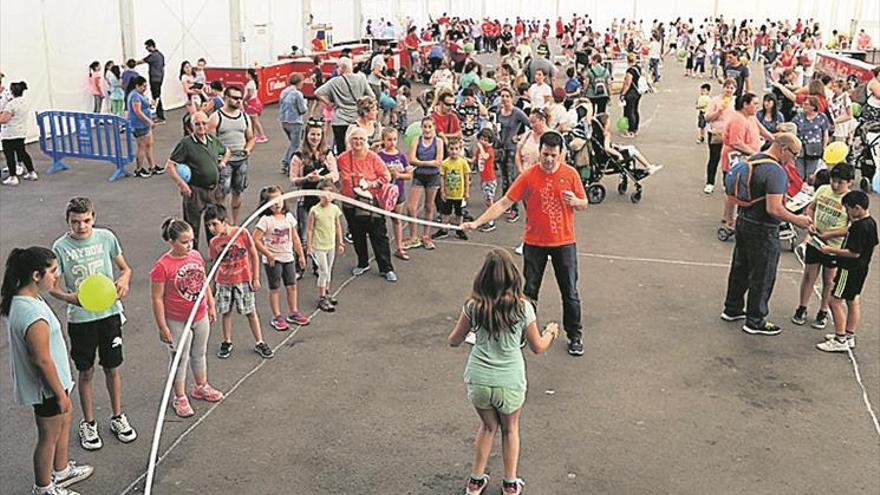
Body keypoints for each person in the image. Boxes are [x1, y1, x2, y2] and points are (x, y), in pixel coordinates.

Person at [463, 131, 588, 356]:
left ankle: (575, 335)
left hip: (564, 242)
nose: (549, 160)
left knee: (569, 292)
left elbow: (584, 203)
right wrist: (477, 222)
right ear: (539, 151)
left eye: (553, 155)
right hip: (535, 243)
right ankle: (523, 332)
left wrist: (576, 201)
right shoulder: (529, 176)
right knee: (529, 293)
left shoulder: (570, 174)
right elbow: (503, 203)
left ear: (561, 154)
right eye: (545, 154)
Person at [448, 247, 558, 495]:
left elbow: (454, 340)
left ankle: (476, 481)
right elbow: (538, 347)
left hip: (479, 379)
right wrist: (551, 331)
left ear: (482, 278)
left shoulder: (474, 306)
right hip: (509, 380)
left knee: (487, 427)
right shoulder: (523, 308)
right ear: (513, 277)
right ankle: (510, 483)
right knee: (510, 429)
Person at [2, 247, 95, 495]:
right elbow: (41, 359)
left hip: (55, 384)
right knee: (48, 436)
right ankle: (43, 487)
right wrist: (60, 395)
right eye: (52, 271)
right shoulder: (31, 314)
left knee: (63, 421)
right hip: (48, 388)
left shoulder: (25, 297)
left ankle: (62, 471)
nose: (57, 275)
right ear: (36, 275)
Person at [49, 197, 137, 451]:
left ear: (93, 218)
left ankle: (118, 417)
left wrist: (125, 280)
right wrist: (71, 299)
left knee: (112, 368)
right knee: (86, 372)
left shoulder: (106, 238)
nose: (81, 226)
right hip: (81, 320)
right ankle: (89, 423)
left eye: (86, 220)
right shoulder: (60, 247)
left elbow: (125, 268)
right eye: (75, 222)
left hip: (109, 315)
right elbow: (52, 287)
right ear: (68, 221)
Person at [721, 133, 813, 336]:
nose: (794, 159)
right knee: (763, 275)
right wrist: (798, 220)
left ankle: (732, 307)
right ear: (783, 148)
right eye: (794, 154)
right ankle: (755, 320)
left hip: (744, 219)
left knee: (740, 267)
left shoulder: (754, 159)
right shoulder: (776, 172)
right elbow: (774, 209)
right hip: (764, 227)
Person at [149, 218, 223, 418]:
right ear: (171, 241)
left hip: (199, 315)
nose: (189, 245)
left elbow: (204, 281)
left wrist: (211, 304)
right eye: (184, 242)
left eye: (191, 241)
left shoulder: (196, 256)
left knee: (199, 353)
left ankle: (201, 386)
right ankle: (179, 396)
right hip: (176, 319)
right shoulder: (162, 266)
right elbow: (157, 298)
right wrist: (162, 326)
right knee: (179, 358)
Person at [205, 204, 273, 360]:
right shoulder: (214, 242)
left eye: (214, 224)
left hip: (242, 279)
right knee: (226, 312)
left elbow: (254, 255)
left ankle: (260, 342)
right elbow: (215, 263)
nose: (211, 228)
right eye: (209, 225)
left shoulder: (241, 233)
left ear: (225, 221)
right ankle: (227, 341)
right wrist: (214, 285)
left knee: (250, 311)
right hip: (224, 281)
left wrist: (255, 277)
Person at [792, 164, 854, 329]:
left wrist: (830, 235)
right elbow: (811, 208)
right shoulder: (823, 190)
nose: (835, 185)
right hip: (815, 242)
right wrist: (810, 221)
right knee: (809, 276)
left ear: (850, 183)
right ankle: (802, 307)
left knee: (829, 280)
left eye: (840, 183)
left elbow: (851, 228)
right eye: (834, 181)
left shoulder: (851, 200)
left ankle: (823, 311)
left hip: (833, 246)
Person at [816, 190, 878, 352]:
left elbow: (854, 252)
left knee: (834, 301)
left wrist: (830, 250)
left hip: (848, 269)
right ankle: (849, 335)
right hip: (861, 269)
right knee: (852, 300)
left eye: (848, 209)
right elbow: (850, 232)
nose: (846, 213)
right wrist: (828, 235)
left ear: (857, 208)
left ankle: (840, 338)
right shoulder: (870, 223)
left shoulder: (859, 227)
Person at [337, 127, 397, 281]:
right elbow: (337, 178)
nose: (358, 142)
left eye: (361, 139)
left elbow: (386, 176)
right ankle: (362, 263)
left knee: (379, 235)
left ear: (366, 142)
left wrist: (370, 184)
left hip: (372, 203)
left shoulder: (373, 157)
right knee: (357, 235)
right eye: (355, 139)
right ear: (350, 141)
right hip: (350, 203)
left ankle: (386, 267)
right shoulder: (342, 158)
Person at [165, 111, 231, 250]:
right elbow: (170, 166)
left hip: (213, 190)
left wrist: (223, 163)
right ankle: (191, 255)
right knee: (192, 225)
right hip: (195, 190)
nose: (201, 126)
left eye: (204, 123)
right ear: (191, 126)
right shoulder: (186, 144)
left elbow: (227, 151)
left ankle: (215, 252)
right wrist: (182, 184)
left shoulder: (213, 140)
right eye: (197, 124)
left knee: (213, 224)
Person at [253, 185, 310, 330]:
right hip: (273, 259)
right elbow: (256, 240)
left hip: (288, 257)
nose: (277, 203)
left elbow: (295, 238)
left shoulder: (289, 217)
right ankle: (277, 315)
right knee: (275, 288)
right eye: (272, 201)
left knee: (291, 285)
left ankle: (293, 311)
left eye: (279, 199)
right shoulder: (265, 220)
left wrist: (301, 256)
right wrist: (268, 254)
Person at [720, 92, 775, 230]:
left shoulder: (751, 117)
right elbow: (736, 142)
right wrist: (756, 154)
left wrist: (778, 140)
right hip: (737, 160)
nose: (757, 107)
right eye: (754, 104)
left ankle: (730, 217)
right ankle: (729, 220)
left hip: (749, 159)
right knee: (732, 190)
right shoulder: (738, 119)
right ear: (745, 105)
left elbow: (764, 132)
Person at [208, 85, 255, 226]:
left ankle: (235, 224)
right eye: (234, 98)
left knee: (238, 192)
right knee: (221, 194)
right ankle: (221, 223)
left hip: (241, 161)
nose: (238, 101)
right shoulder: (216, 117)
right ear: (226, 98)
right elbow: (210, 142)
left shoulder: (245, 117)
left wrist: (247, 149)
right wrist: (218, 160)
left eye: (240, 98)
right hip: (225, 162)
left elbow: (251, 138)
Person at [314, 57, 376, 154]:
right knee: (359, 148)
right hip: (357, 119)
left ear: (341, 68)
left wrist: (329, 103)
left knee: (342, 150)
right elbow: (372, 96)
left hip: (340, 120)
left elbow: (317, 92)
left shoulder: (334, 81)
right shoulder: (361, 78)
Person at [306, 179, 345, 312]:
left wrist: (340, 242)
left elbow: (338, 225)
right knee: (323, 270)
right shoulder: (314, 210)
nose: (327, 197)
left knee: (329, 269)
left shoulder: (335, 209)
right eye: (324, 194)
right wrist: (309, 246)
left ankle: (327, 291)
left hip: (330, 244)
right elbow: (310, 229)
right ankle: (322, 297)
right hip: (319, 246)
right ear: (319, 195)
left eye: (330, 194)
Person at [405, 117, 444, 250]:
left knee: (428, 206)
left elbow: (438, 161)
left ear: (434, 128)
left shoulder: (438, 142)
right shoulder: (417, 140)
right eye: (425, 127)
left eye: (430, 127)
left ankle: (426, 236)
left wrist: (420, 162)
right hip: (418, 176)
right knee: (411, 207)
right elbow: (411, 159)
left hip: (433, 177)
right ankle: (413, 236)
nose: (427, 130)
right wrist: (428, 163)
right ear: (421, 128)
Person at [376, 127, 413, 260]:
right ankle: (380, 249)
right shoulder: (379, 156)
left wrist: (398, 174)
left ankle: (399, 247)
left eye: (394, 139)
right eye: (389, 140)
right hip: (382, 193)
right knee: (380, 221)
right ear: (383, 140)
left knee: (397, 219)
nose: (392, 142)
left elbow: (409, 175)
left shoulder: (401, 156)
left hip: (398, 192)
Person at [495, 87, 531, 222]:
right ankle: (506, 205)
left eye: (507, 96)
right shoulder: (499, 112)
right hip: (501, 148)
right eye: (502, 96)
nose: (504, 99)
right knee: (504, 180)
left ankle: (515, 209)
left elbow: (530, 125)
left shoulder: (517, 113)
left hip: (511, 149)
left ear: (512, 98)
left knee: (511, 180)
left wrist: (520, 137)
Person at [433, 137, 470, 241]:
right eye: (452, 149)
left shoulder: (463, 162)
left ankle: (459, 229)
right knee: (446, 212)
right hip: (448, 194)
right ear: (448, 149)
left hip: (459, 193)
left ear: (460, 149)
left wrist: (466, 191)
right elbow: (442, 178)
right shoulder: (445, 163)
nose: (454, 151)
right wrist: (442, 191)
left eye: (456, 149)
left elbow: (466, 177)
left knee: (459, 213)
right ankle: (444, 229)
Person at [0, 81, 37, 185]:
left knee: (10, 155)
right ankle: (31, 172)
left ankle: (13, 176)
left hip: (9, 133)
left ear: (12, 91)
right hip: (21, 132)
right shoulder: (25, 102)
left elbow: (4, 119)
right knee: (22, 152)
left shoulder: (11, 105)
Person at [126, 76, 159, 178]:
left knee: (149, 144)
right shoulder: (135, 96)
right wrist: (149, 121)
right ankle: (138, 169)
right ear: (137, 86)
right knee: (141, 146)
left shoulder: (140, 95)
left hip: (144, 125)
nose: (145, 88)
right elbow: (137, 111)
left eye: (146, 86)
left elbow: (144, 107)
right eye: (143, 86)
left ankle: (152, 166)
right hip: (139, 125)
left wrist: (150, 105)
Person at [791, 96, 830, 180]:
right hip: (800, 147)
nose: (804, 106)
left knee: (811, 174)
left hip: (814, 148)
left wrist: (824, 147)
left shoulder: (822, 117)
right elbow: (792, 127)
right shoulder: (799, 116)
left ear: (813, 106)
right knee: (799, 173)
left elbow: (825, 133)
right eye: (804, 104)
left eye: (806, 104)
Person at [278, 73, 308, 174]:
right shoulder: (297, 94)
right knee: (295, 145)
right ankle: (290, 165)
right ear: (299, 82)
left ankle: (285, 162)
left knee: (292, 144)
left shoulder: (284, 92)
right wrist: (305, 103)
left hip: (284, 121)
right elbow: (302, 110)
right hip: (295, 121)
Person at [475, 128, 498, 233]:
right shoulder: (480, 150)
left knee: (489, 201)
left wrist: (481, 147)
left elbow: (485, 157)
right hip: (483, 179)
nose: (482, 141)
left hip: (490, 179)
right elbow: (474, 160)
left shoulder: (489, 150)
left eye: (485, 139)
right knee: (486, 201)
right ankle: (488, 219)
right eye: (481, 139)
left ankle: (491, 221)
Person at [137, 39, 165, 123]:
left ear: (151, 46)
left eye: (147, 47)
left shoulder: (153, 56)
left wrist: (130, 63)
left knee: (156, 97)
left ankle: (160, 116)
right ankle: (158, 114)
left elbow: (142, 61)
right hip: (159, 78)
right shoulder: (161, 55)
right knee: (157, 96)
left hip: (155, 79)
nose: (147, 50)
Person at [619, 52, 643, 138]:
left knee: (629, 111)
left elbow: (627, 83)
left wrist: (622, 94)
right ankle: (635, 129)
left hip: (630, 92)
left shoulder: (630, 71)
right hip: (637, 92)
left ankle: (631, 130)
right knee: (635, 110)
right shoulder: (638, 68)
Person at [244, 69, 268, 143]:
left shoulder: (250, 84)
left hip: (251, 103)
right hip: (254, 102)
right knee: (252, 121)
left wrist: (244, 100)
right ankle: (253, 135)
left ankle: (262, 135)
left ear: (249, 75)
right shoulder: (253, 83)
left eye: (246, 74)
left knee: (255, 120)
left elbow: (249, 94)